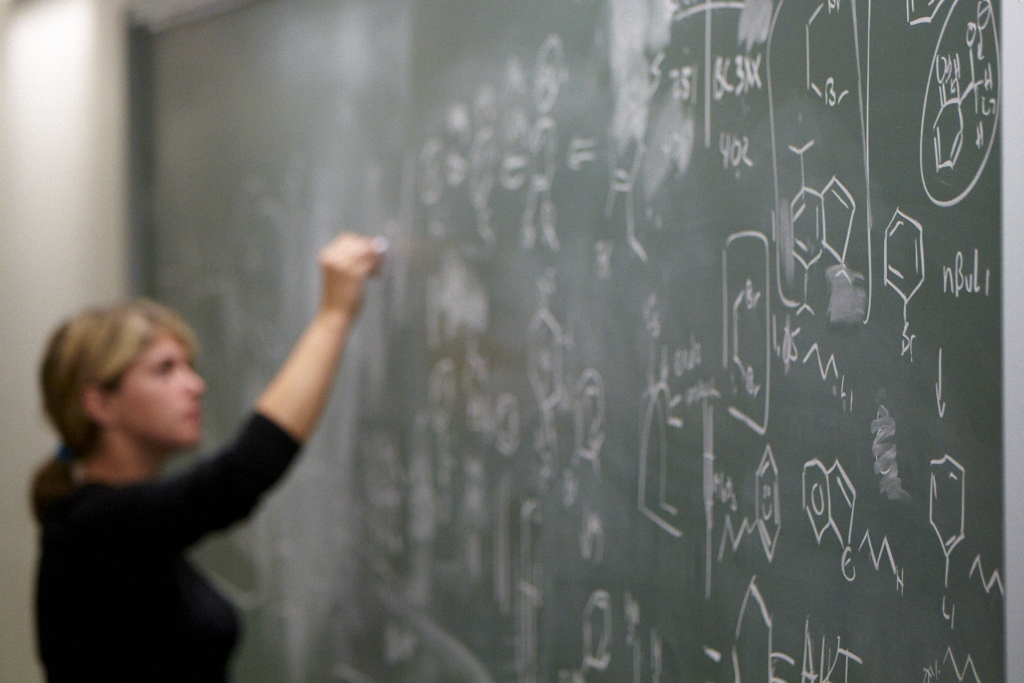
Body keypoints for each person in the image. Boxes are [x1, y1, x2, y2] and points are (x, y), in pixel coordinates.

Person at [30, 232, 384, 682]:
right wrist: (333, 317)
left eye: (189, 367)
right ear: (100, 403)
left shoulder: (120, 527)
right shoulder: (90, 528)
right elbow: (239, 476)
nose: (195, 386)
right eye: (165, 370)